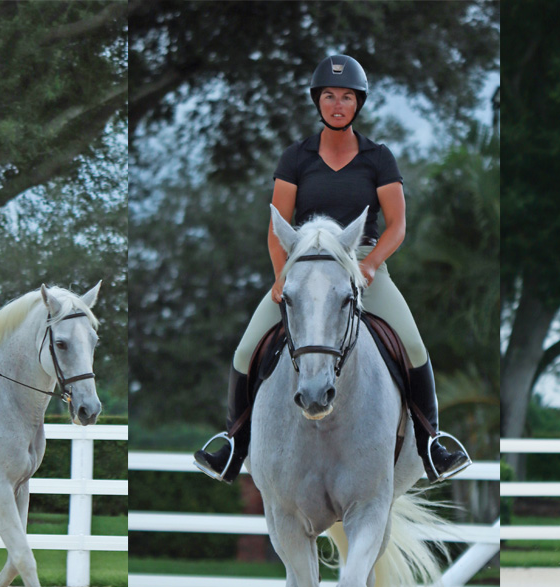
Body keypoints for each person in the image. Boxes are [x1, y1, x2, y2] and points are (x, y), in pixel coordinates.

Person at [194, 54, 471, 484]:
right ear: (318, 102)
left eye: (346, 97)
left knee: (414, 347)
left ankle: (431, 443)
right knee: (246, 350)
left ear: (358, 103)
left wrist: (373, 265)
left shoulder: (378, 158)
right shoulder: (296, 157)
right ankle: (233, 443)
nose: (337, 104)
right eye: (329, 96)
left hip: (360, 266)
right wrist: (281, 274)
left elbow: (397, 226)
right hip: (303, 270)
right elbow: (276, 226)